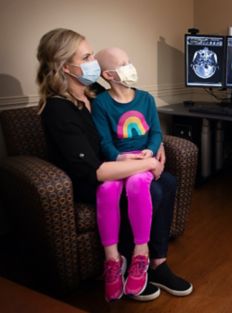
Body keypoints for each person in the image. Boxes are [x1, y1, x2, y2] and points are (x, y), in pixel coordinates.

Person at [36, 28, 193, 301]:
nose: (93, 62)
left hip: (114, 165)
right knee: (153, 188)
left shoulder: (94, 92)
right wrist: (146, 164)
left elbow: (135, 123)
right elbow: (95, 171)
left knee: (167, 180)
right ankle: (134, 263)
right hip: (91, 181)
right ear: (66, 67)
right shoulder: (58, 110)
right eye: (86, 57)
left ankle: (157, 263)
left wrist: (158, 146)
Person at [90, 47, 164, 301]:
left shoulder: (146, 99)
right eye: (123, 63)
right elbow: (103, 140)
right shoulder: (101, 103)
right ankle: (112, 259)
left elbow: (155, 132)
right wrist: (119, 156)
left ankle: (140, 253)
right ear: (109, 74)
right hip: (119, 161)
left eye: (129, 61)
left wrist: (150, 152)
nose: (130, 66)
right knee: (107, 189)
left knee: (136, 185)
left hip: (143, 161)